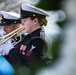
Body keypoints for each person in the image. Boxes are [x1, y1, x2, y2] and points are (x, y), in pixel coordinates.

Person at [0, 4, 49, 75]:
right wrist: (5, 50)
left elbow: (26, 67)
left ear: (35, 21)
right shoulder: (28, 37)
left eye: (24, 20)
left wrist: (10, 50)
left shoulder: (38, 40)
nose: (22, 23)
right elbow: (16, 58)